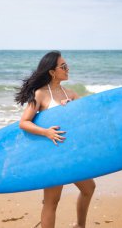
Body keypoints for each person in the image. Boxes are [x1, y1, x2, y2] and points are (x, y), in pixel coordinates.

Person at [15, 51, 96, 228]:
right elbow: (24, 123)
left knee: (89, 188)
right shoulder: (40, 94)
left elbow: (86, 120)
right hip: (54, 156)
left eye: (67, 65)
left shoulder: (71, 94)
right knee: (52, 201)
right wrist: (46, 132)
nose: (68, 69)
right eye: (64, 66)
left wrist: (72, 110)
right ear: (52, 71)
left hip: (71, 154)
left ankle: (80, 225)